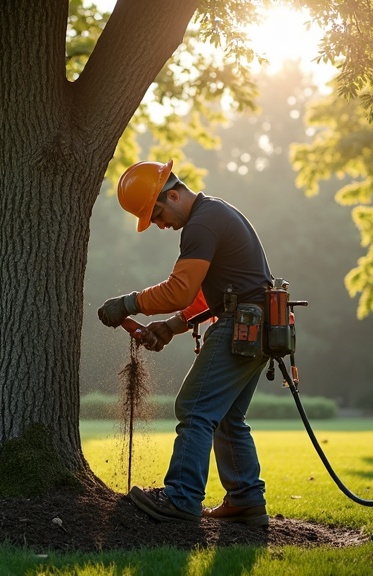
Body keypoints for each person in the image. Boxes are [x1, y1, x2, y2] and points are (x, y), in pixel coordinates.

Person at [97, 159, 273, 527]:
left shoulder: (202, 223)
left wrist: (128, 304)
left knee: (194, 408)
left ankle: (181, 498)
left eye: (157, 214)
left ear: (173, 195)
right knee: (227, 415)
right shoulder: (215, 215)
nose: (160, 225)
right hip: (261, 325)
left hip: (242, 323)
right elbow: (206, 295)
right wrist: (171, 327)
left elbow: (180, 289)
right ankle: (246, 500)